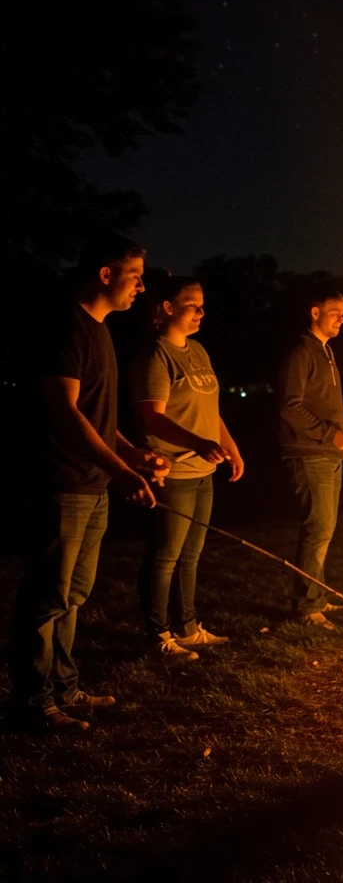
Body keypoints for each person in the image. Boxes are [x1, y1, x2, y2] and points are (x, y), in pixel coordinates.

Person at [9, 234, 171, 732]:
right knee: (46, 597)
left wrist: (131, 453)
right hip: (61, 481)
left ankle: (64, 687)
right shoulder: (65, 324)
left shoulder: (100, 329)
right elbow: (63, 412)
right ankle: (33, 701)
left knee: (73, 594)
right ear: (106, 274)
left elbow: (96, 417)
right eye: (135, 276)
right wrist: (121, 471)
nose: (142, 287)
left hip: (92, 483)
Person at [131, 273, 245, 660]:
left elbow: (210, 410)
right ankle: (158, 633)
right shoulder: (155, 355)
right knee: (165, 556)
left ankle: (188, 627)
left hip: (203, 472)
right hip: (174, 470)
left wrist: (231, 448)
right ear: (167, 308)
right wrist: (198, 443)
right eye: (192, 305)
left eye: (202, 306)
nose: (200, 312)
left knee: (191, 555)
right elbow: (152, 417)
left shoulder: (198, 351)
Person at [277, 285, 343, 631]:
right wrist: (332, 435)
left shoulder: (326, 352)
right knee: (317, 528)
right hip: (309, 453)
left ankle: (317, 595)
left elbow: (323, 406)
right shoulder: (301, 352)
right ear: (315, 312)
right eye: (335, 312)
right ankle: (306, 606)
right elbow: (290, 407)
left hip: (329, 452)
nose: (342, 319)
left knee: (324, 528)